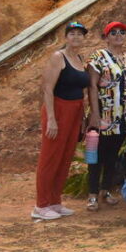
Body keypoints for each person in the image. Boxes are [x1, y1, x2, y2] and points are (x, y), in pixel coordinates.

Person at [31, 21, 91, 221]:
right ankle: (41, 204)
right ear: (66, 37)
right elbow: (47, 88)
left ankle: (55, 200)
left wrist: (82, 117)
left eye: (80, 34)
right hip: (58, 108)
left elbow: (83, 91)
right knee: (50, 156)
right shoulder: (59, 57)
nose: (76, 37)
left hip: (75, 111)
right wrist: (51, 119)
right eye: (72, 33)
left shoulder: (80, 58)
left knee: (65, 156)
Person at [86, 21, 126, 211]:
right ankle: (92, 193)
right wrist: (95, 114)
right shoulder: (98, 57)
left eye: (122, 32)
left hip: (122, 116)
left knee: (112, 156)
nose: (118, 35)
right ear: (106, 36)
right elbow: (92, 86)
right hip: (104, 115)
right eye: (113, 32)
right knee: (96, 155)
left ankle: (105, 190)